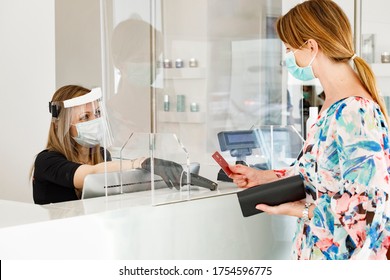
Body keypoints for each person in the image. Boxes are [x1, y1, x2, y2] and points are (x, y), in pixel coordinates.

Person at [229, 0, 390, 260]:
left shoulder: (355, 113)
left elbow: (366, 210)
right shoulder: (332, 106)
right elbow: (315, 172)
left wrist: (301, 210)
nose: (288, 57)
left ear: (312, 46)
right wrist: (263, 178)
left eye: (290, 48)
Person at [31, 85, 215, 204]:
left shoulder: (103, 155)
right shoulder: (46, 161)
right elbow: (90, 175)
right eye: (85, 117)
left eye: (97, 113)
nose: (96, 120)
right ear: (62, 124)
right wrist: (140, 162)